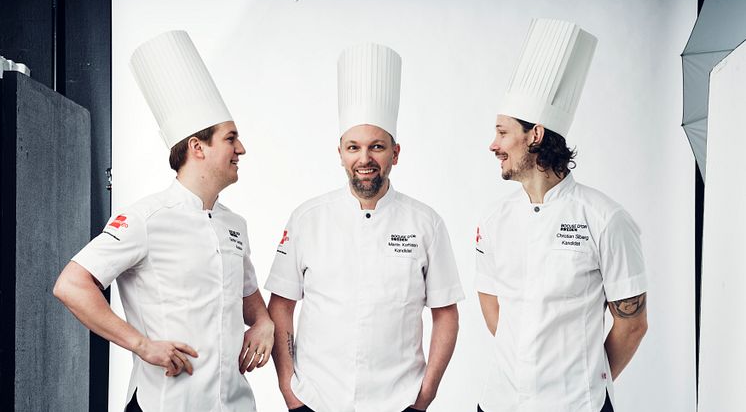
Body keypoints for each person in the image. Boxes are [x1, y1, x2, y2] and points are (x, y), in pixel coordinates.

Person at [53, 30, 274, 412]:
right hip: (167, 402)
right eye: (230, 139)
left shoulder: (235, 225)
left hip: (234, 403)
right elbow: (72, 284)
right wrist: (142, 345)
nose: (241, 149)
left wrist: (264, 323)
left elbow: (247, 294)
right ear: (197, 147)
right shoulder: (144, 218)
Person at [265, 43, 464, 412]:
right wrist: (288, 389)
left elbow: (446, 314)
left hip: (400, 400)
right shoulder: (307, 219)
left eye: (377, 146)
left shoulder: (426, 223)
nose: (365, 158)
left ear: (395, 153)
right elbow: (280, 306)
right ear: (340, 152)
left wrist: (425, 396)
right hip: (315, 399)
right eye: (353, 147)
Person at [475, 19, 648, 412]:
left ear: (535, 134)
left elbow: (632, 324)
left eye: (502, 133)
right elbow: (491, 298)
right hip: (499, 401)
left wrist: (583, 381)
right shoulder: (495, 220)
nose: (493, 144)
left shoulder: (605, 218)